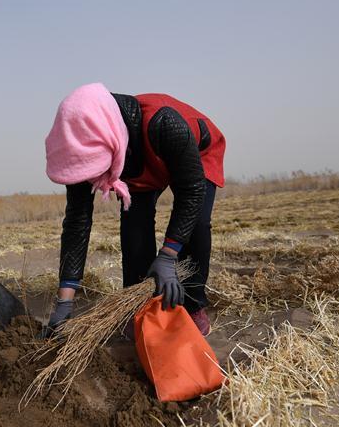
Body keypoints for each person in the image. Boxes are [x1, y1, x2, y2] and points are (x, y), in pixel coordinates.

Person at [44, 83, 226, 337]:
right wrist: (64, 302)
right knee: (134, 226)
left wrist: (168, 254)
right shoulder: (82, 148)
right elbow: (77, 222)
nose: (96, 181)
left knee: (195, 226)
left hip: (196, 152)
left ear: (110, 144)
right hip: (139, 160)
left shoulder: (164, 123)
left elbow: (192, 192)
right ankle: (138, 307)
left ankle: (194, 305)